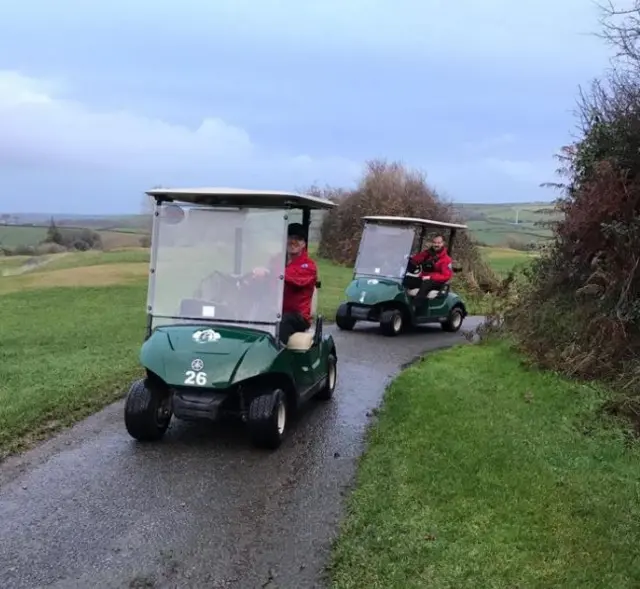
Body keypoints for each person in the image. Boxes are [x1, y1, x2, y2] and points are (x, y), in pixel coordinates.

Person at [252, 223, 317, 344]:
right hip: (276, 310)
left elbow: (293, 278)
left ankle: (278, 357)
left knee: (282, 323)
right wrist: (253, 277)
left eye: (298, 239)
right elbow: (268, 278)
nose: (293, 242)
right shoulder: (277, 260)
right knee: (254, 319)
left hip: (298, 316)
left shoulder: (308, 266)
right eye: (290, 237)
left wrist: (268, 273)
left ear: (304, 243)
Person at [408, 234, 453, 308]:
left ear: (443, 243)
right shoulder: (428, 254)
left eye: (439, 243)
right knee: (406, 280)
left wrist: (430, 277)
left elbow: (446, 276)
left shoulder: (446, 259)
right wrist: (424, 254)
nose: (436, 244)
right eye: (434, 242)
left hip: (438, 282)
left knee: (426, 284)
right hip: (424, 279)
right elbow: (415, 260)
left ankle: (415, 307)